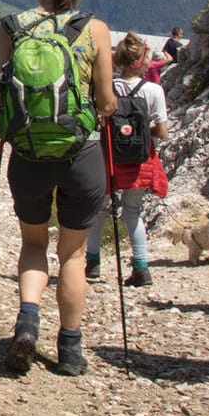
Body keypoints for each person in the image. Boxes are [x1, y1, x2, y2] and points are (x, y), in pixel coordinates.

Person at [0, 0, 116, 376]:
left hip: (28, 154)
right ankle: (69, 348)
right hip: (79, 155)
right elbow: (106, 101)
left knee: (33, 244)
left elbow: (6, 90)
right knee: (73, 254)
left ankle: (28, 319)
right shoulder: (95, 30)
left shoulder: (13, 26)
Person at [86, 34, 168, 287]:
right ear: (141, 62)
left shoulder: (107, 86)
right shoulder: (153, 90)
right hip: (139, 159)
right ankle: (141, 268)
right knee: (133, 212)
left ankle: (93, 262)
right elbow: (162, 132)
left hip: (108, 154)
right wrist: (142, 131)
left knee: (99, 210)